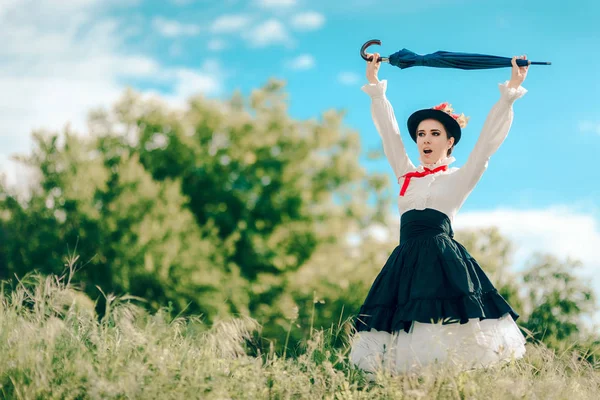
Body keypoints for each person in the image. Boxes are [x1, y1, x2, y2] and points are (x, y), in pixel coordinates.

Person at [349, 51, 529, 375]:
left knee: (442, 341)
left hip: (443, 263)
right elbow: (389, 134)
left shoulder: (459, 178)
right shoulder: (406, 175)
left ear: (449, 142)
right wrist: (375, 86)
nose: (425, 140)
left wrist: (510, 94)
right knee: (400, 343)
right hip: (405, 263)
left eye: (434, 134)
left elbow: (486, 143)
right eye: (421, 134)